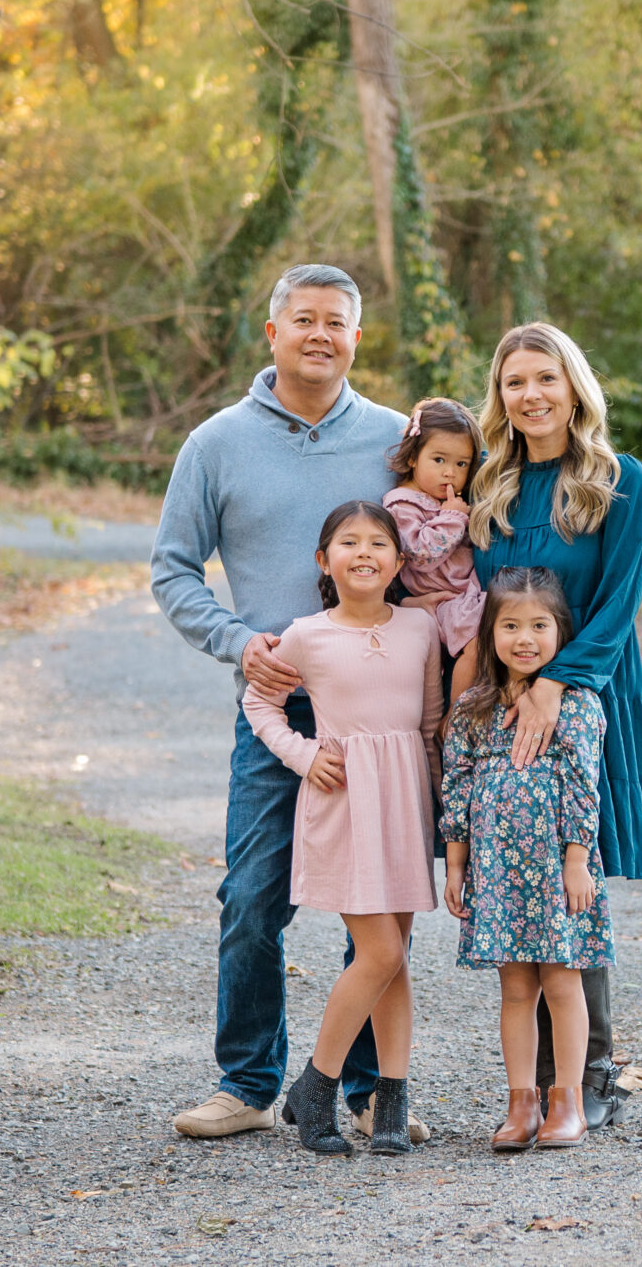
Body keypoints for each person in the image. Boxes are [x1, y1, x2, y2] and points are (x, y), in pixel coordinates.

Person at [150, 266, 424, 1143]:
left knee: (379, 907)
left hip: (376, 718)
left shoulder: (394, 440)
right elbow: (173, 568)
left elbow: (444, 558)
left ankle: (369, 1093)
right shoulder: (217, 442)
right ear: (270, 333)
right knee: (252, 895)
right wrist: (242, 643)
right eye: (302, 319)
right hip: (276, 710)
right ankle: (247, 1080)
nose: (319, 334)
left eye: (335, 322)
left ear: (355, 338)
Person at [465, 320, 642, 1126]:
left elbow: (620, 601)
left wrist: (555, 683)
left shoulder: (619, 480)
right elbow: (470, 599)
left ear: (573, 384)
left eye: (545, 377)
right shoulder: (489, 487)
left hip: (587, 693)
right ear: (501, 396)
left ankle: (588, 1077)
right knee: (525, 875)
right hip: (502, 703)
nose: (531, 394)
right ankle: (539, 1084)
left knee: (573, 875)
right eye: (515, 382)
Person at [240, 502, 442, 1155]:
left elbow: (433, 723)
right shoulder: (306, 634)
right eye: (347, 542)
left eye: (378, 542)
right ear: (324, 561)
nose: (364, 552)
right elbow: (259, 701)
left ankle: (391, 1104)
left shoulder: (421, 627)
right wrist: (302, 754)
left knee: (395, 961)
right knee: (378, 952)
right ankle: (316, 1088)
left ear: (399, 560)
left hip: (406, 803)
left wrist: (446, 814)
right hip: (347, 802)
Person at [440, 566, 613, 1152]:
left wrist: (576, 861)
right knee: (515, 990)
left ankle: (569, 1102)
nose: (525, 639)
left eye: (539, 625)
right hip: (496, 873)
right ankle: (522, 1104)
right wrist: (456, 865)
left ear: (561, 631)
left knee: (563, 984)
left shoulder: (579, 705)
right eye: (511, 625)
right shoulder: (470, 709)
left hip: (555, 870)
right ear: (490, 632)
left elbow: (585, 787)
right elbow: (457, 788)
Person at [382, 397, 487, 702]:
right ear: (413, 457)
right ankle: (456, 715)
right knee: (477, 643)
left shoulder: (445, 500)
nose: (450, 473)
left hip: (464, 596)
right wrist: (453, 517)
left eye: (461, 463)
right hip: (440, 602)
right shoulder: (402, 503)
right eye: (439, 460)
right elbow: (420, 554)